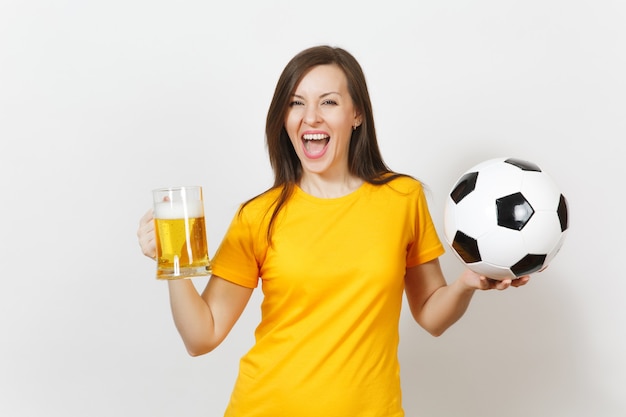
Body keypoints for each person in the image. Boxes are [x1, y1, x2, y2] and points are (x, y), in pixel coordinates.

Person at [137, 45, 530, 417]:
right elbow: (201, 337)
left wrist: (465, 284)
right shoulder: (259, 215)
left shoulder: (402, 198)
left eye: (328, 101)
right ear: (284, 118)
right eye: (296, 103)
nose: (311, 117)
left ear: (356, 113)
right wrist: (170, 261)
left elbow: (431, 317)